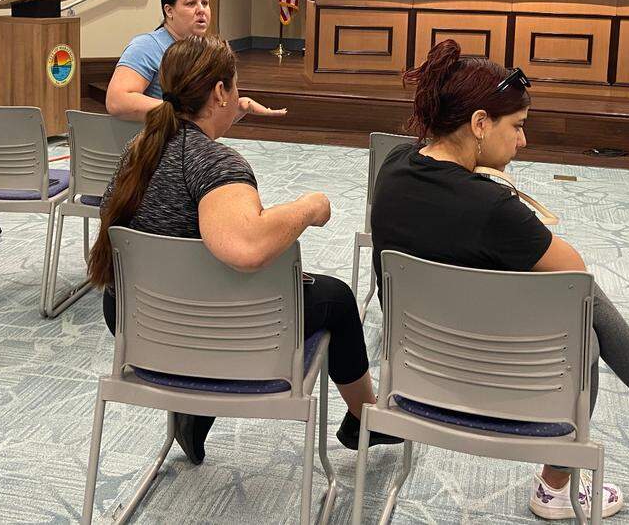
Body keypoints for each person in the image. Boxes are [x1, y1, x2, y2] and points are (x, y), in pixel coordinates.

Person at [371, 40, 629, 521]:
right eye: (517, 126)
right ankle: (567, 479)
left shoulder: (393, 167)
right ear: (480, 123)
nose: (522, 141)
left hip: (416, 369)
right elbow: (576, 275)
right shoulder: (493, 209)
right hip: (504, 380)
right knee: (582, 326)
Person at [87, 35, 400, 464]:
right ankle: (366, 417)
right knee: (338, 298)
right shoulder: (215, 163)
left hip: (135, 321)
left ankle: (195, 406)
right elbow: (245, 249)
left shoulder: (137, 151)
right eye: (235, 86)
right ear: (220, 92)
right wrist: (307, 208)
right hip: (218, 330)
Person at [106, 0, 284, 123]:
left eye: (205, 3)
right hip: (157, 148)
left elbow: (204, 122)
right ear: (169, 11)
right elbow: (117, 102)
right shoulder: (146, 46)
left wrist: (239, 107)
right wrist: (185, 112)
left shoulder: (207, 51)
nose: (201, 10)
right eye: (191, 3)